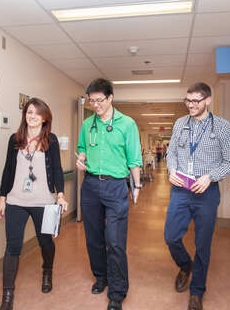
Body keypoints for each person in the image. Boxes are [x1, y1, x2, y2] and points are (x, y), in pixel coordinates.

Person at [165, 82, 230, 310]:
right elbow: (172, 152)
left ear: (207, 100)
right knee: (171, 236)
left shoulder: (223, 127)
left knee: (203, 244)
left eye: (195, 101)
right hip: (180, 190)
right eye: (188, 100)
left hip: (206, 193)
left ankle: (197, 292)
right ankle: (186, 265)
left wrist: (211, 176)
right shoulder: (180, 124)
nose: (190, 105)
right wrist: (171, 170)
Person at [76, 78, 142, 310]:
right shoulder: (87, 125)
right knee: (93, 237)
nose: (95, 105)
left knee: (114, 241)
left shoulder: (127, 124)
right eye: (91, 101)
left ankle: (117, 291)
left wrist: (137, 186)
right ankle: (101, 277)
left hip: (115, 186)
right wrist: (81, 158)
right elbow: (82, 148)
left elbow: (134, 158)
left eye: (99, 100)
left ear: (111, 98)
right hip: (91, 185)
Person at [0, 97, 68, 310]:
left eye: (37, 113)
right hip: (16, 201)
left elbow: (56, 169)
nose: (32, 116)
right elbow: (8, 170)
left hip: (44, 201)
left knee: (45, 242)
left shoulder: (51, 140)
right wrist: (2, 198)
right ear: (24, 115)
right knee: (13, 246)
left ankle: (47, 270)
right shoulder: (15, 139)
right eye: (29, 112)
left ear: (45, 117)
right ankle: (7, 296)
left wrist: (61, 195)